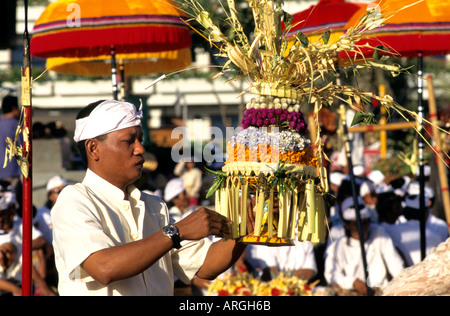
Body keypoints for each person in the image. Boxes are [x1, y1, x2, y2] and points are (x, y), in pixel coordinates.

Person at [51, 100, 253, 296]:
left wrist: (247, 225)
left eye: (140, 140)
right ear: (93, 148)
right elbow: (103, 267)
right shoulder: (74, 199)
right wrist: (176, 231)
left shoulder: (153, 205)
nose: (140, 149)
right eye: (129, 141)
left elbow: (206, 265)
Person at [324, 196, 404, 295]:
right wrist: (353, 282)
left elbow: (395, 264)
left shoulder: (379, 233)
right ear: (347, 225)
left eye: (365, 223)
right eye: (356, 224)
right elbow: (330, 275)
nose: (362, 228)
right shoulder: (338, 244)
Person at [0, 95, 23, 204]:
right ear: (14, 108)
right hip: (12, 170)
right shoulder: (16, 125)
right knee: (11, 204)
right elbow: (22, 149)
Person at [34, 175, 68, 245]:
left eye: (66, 190)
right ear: (50, 196)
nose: (63, 193)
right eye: (58, 191)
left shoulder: (76, 211)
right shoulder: (41, 214)